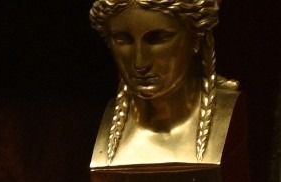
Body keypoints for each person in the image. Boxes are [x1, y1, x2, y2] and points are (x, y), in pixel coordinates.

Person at [88, 0, 238, 166]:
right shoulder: (107, 128)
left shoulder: (227, 113)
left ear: (196, 38)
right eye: (123, 39)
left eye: (158, 39)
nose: (139, 63)